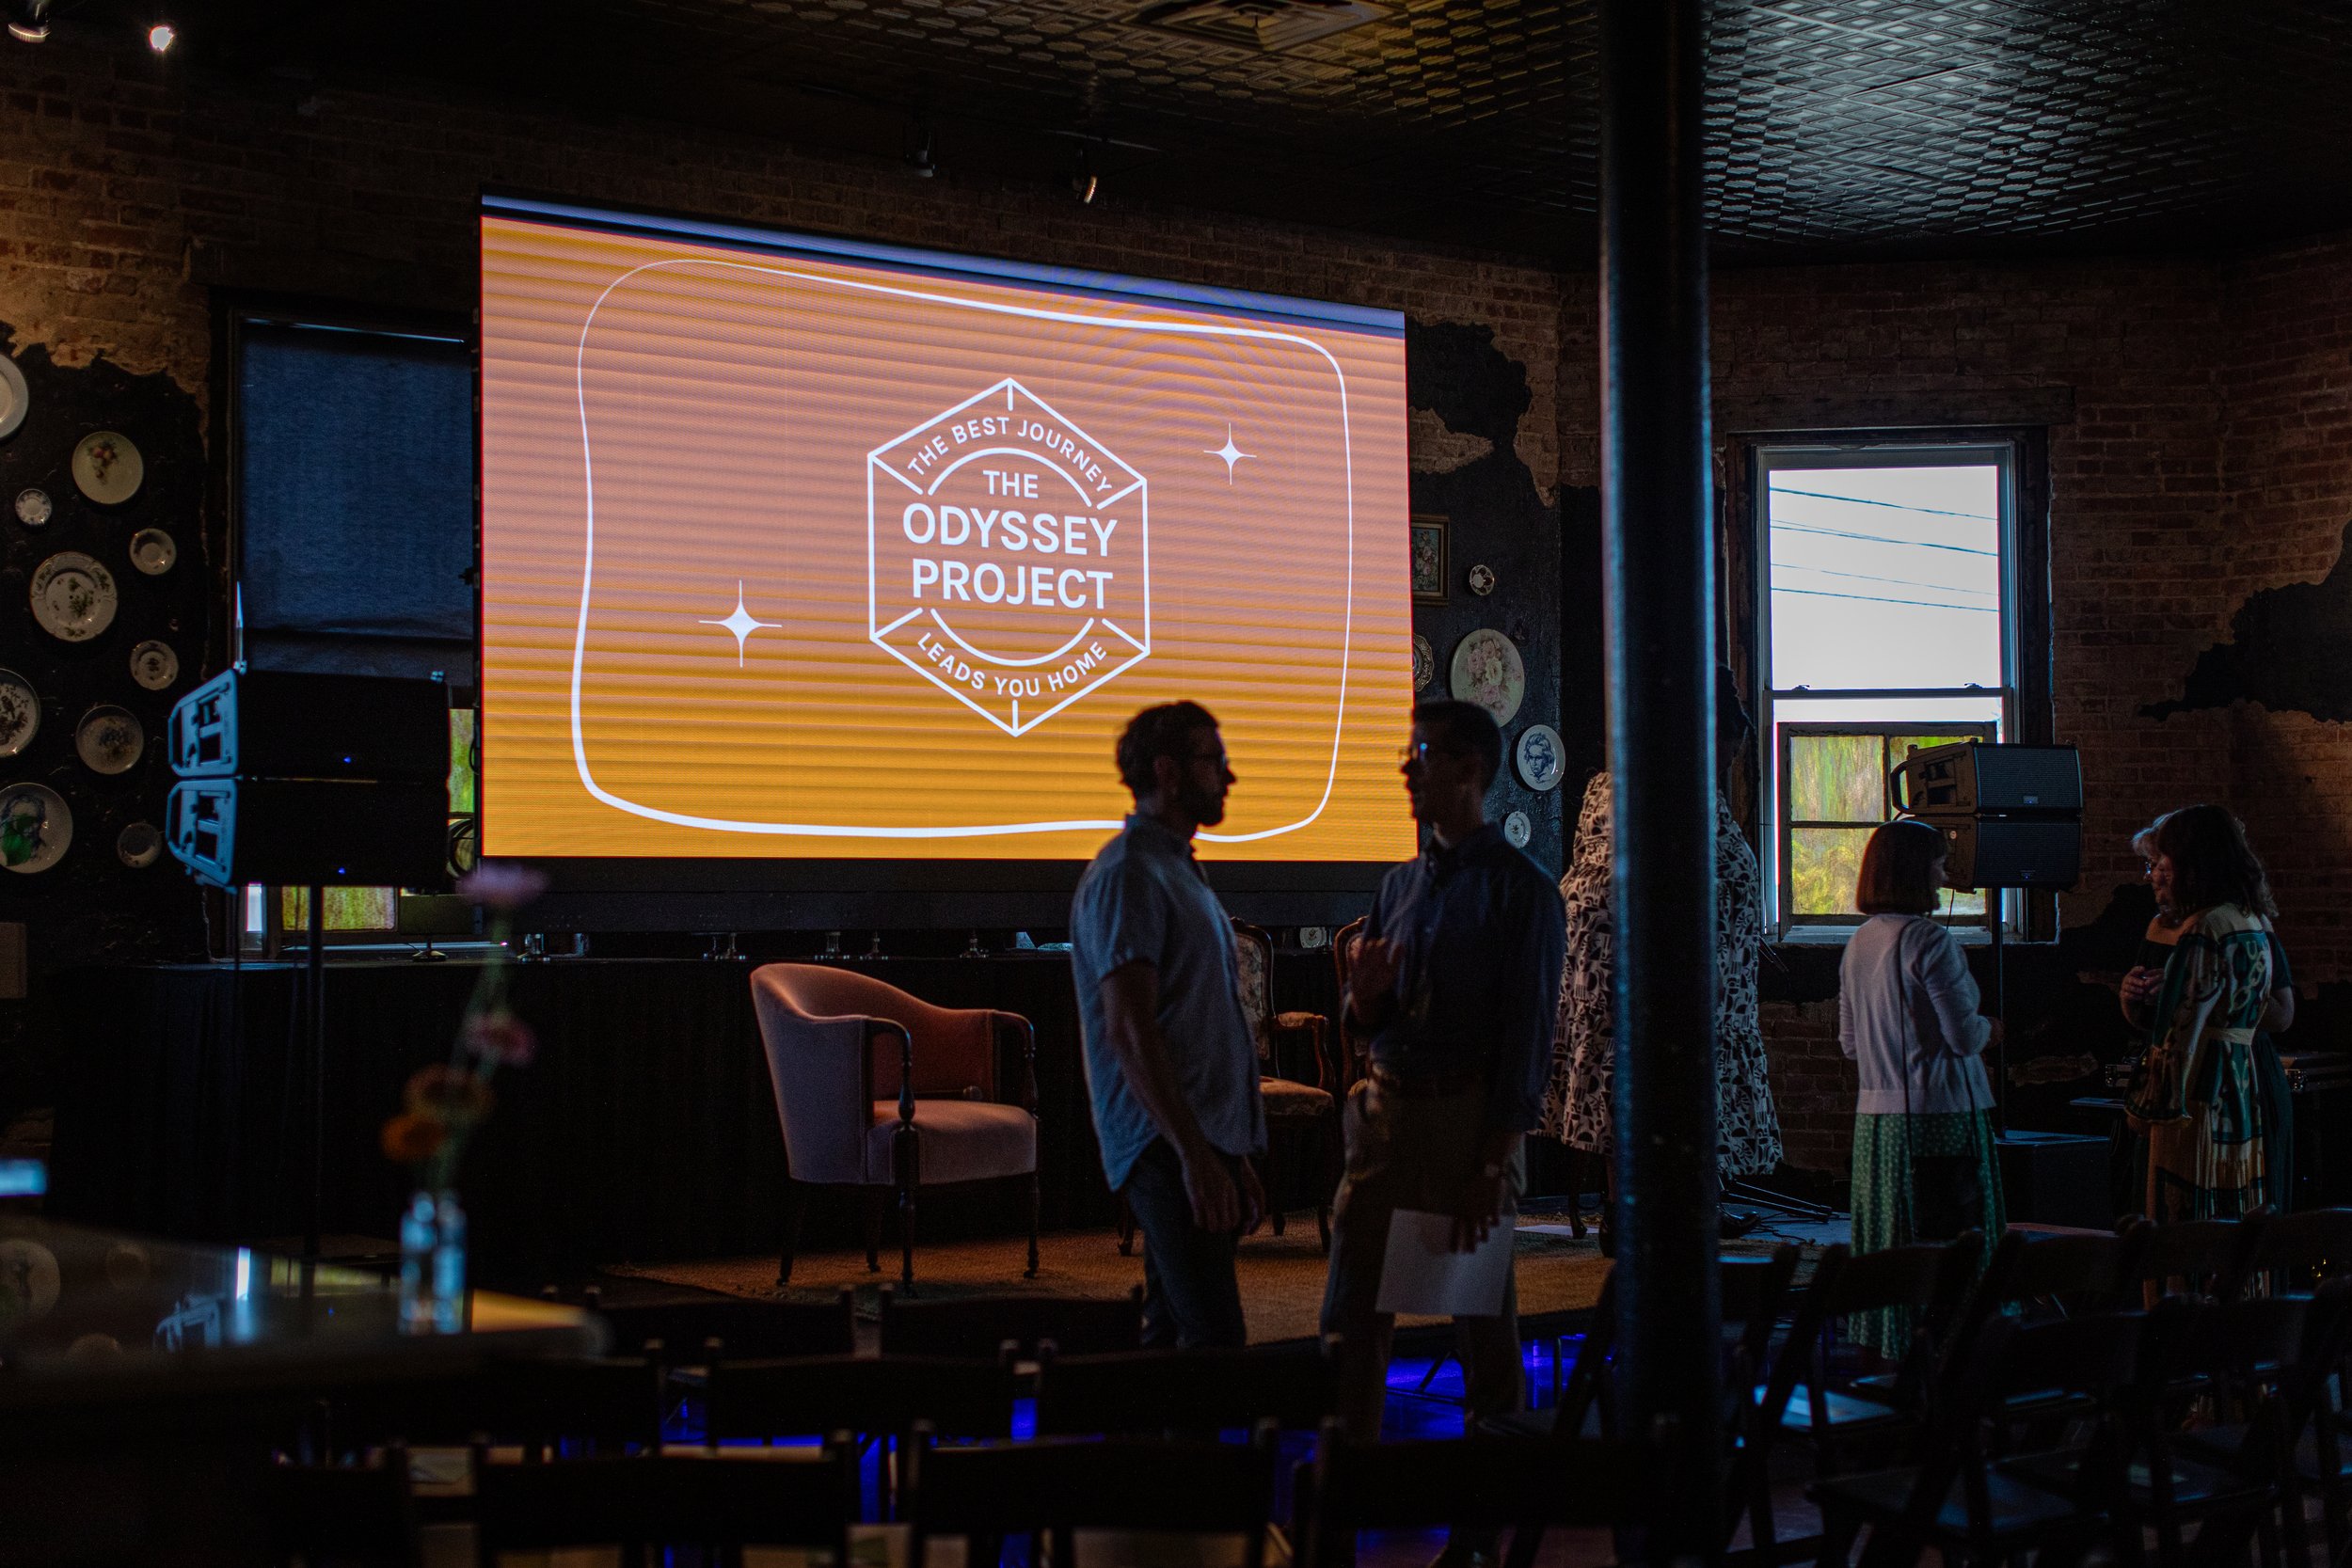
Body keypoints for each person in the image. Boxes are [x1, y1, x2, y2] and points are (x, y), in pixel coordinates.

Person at [1324, 699, 1565, 1463]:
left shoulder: (1522, 891)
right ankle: (1341, 1508)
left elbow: (1527, 1039)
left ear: (1469, 769)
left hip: (1468, 1127)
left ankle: (1481, 1540)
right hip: (1385, 1120)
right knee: (1350, 1326)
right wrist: (1361, 1001)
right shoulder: (1398, 885)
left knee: (1483, 1343)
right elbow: (1363, 1015)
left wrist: (1493, 1163)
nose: (1405, 767)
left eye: (1420, 752)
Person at [1541, 668, 1783, 1249]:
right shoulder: (1652, 793)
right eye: (1726, 747)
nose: (1727, 762)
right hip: (1647, 984)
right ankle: (1635, 1212)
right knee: (1637, 1087)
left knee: (1633, 1088)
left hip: (1653, 983)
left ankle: (1662, 1205)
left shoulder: (1635, 789)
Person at [1071, 701, 1266, 1348]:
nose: (1230, 777)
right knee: (1215, 1339)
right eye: (1215, 760)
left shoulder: (1175, 867)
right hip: (1165, 1145)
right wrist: (1194, 1156)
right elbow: (1130, 1030)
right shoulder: (1130, 873)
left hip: (1192, 1142)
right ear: (1169, 772)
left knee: (1171, 1335)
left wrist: (1228, 1151)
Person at [1840, 817, 2006, 1357]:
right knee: (1954, 1237)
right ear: (1916, 871)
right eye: (1937, 862)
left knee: (1890, 1236)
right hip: (1942, 1113)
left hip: (1876, 1121)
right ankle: (1955, 1344)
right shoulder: (1930, 941)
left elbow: (1849, 1044)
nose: (1944, 872)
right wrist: (1992, 1030)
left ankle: (1889, 1344)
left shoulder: (1859, 943)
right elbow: (1962, 1037)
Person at [2120, 814, 2296, 1212]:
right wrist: (2132, 999)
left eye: (2161, 866)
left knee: (2194, 1213)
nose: (2152, 877)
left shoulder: (2210, 928)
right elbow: (2159, 1021)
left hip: (2208, 1086)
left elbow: (2180, 1038)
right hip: (2224, 1080)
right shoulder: (2228, 920)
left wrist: (2147, 1107)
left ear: (2189, 868)